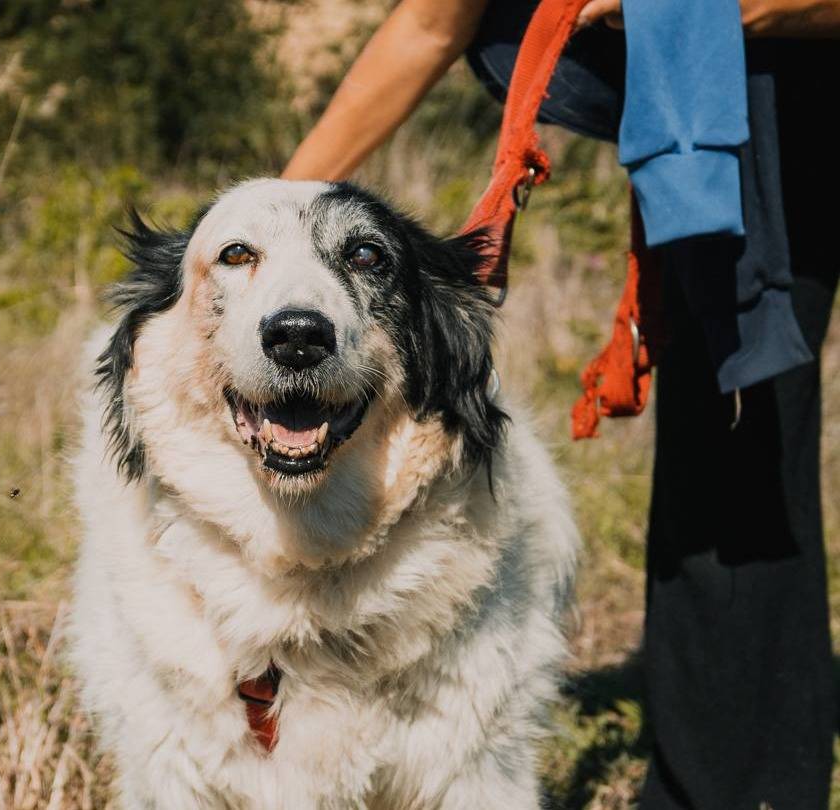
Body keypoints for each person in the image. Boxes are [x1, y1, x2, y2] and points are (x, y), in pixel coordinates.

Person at [282, 1, 840, 808]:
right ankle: (728, 790)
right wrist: (271, 219)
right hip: (735, 124)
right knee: (732, 435)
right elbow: (430, 25)